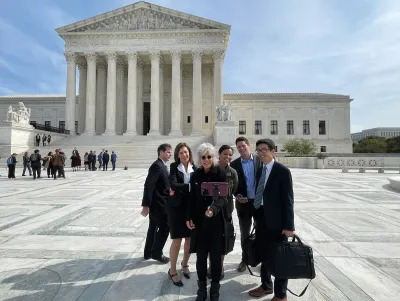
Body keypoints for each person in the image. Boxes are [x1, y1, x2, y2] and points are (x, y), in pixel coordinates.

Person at [248, 139, 295, 301]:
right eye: (258, 150)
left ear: (273, 151)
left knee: (279, 257)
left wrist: (289, 226)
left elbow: (288, 200)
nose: (261, 153)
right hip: (261, 218)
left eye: (264, 149)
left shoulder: (282, 171)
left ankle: (281, 294)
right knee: (264, 253)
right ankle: (266, 285)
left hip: (277, 222)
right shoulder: (260, 170)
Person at [186, 143, 229, 301]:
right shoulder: (195, 174)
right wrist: (189, 217)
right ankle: (202, 288)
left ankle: (215, 289)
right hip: (199, 222)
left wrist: (213, 208)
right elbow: (191, 198)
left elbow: (223, 197)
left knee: (216, 257)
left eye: (209, 157)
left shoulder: (221, 173)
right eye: (203, 157)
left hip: (216, 222)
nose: (206, 160)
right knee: (201, 257)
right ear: (199, 158)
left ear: (214, 157)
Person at [230, 137, 265, 274]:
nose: (241, 148)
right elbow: (232, 186)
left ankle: (261, 259)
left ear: (248, 146)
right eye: (238, 147)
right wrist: (237, 196)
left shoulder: (259, 160)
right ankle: (244, 259)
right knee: (245, 234)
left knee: (261, 232)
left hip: (258, 203)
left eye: (243, 146)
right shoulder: (234, 164)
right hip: (243, 204)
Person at [207, 145, 238, 280]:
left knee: (223, 239)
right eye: (225, 154)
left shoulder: (233, 172)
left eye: (230, 155)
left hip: (226, 211)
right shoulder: (211, 170)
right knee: (210, 238)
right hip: (211, 210)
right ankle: (211, 265)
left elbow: (234, 189)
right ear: (219, 155)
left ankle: (219, 265)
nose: (228, 157)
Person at [167, 143, 196, 287]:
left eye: (186, 152)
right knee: (177, 240)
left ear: (189, 153)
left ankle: (185, 264)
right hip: (177, 209)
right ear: (177, 155)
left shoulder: (195, 168)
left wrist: (185, 188)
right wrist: (190, 186)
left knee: (189, 239)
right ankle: (172, 271)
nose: (184, 155)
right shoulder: (174, 167)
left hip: (190, 208)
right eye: (181, 153)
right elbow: (173, 185)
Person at [141, 143, 172, 264]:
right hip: (159, 205)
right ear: (161, 152)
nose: (170, 154)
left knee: (153, 227)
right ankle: (157, 253)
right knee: (165, 227)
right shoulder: (157, 166)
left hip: (158, 203)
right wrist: (146, 205)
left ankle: (148, 252)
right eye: (168, 152)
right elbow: (149, 185)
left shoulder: (161, 165)